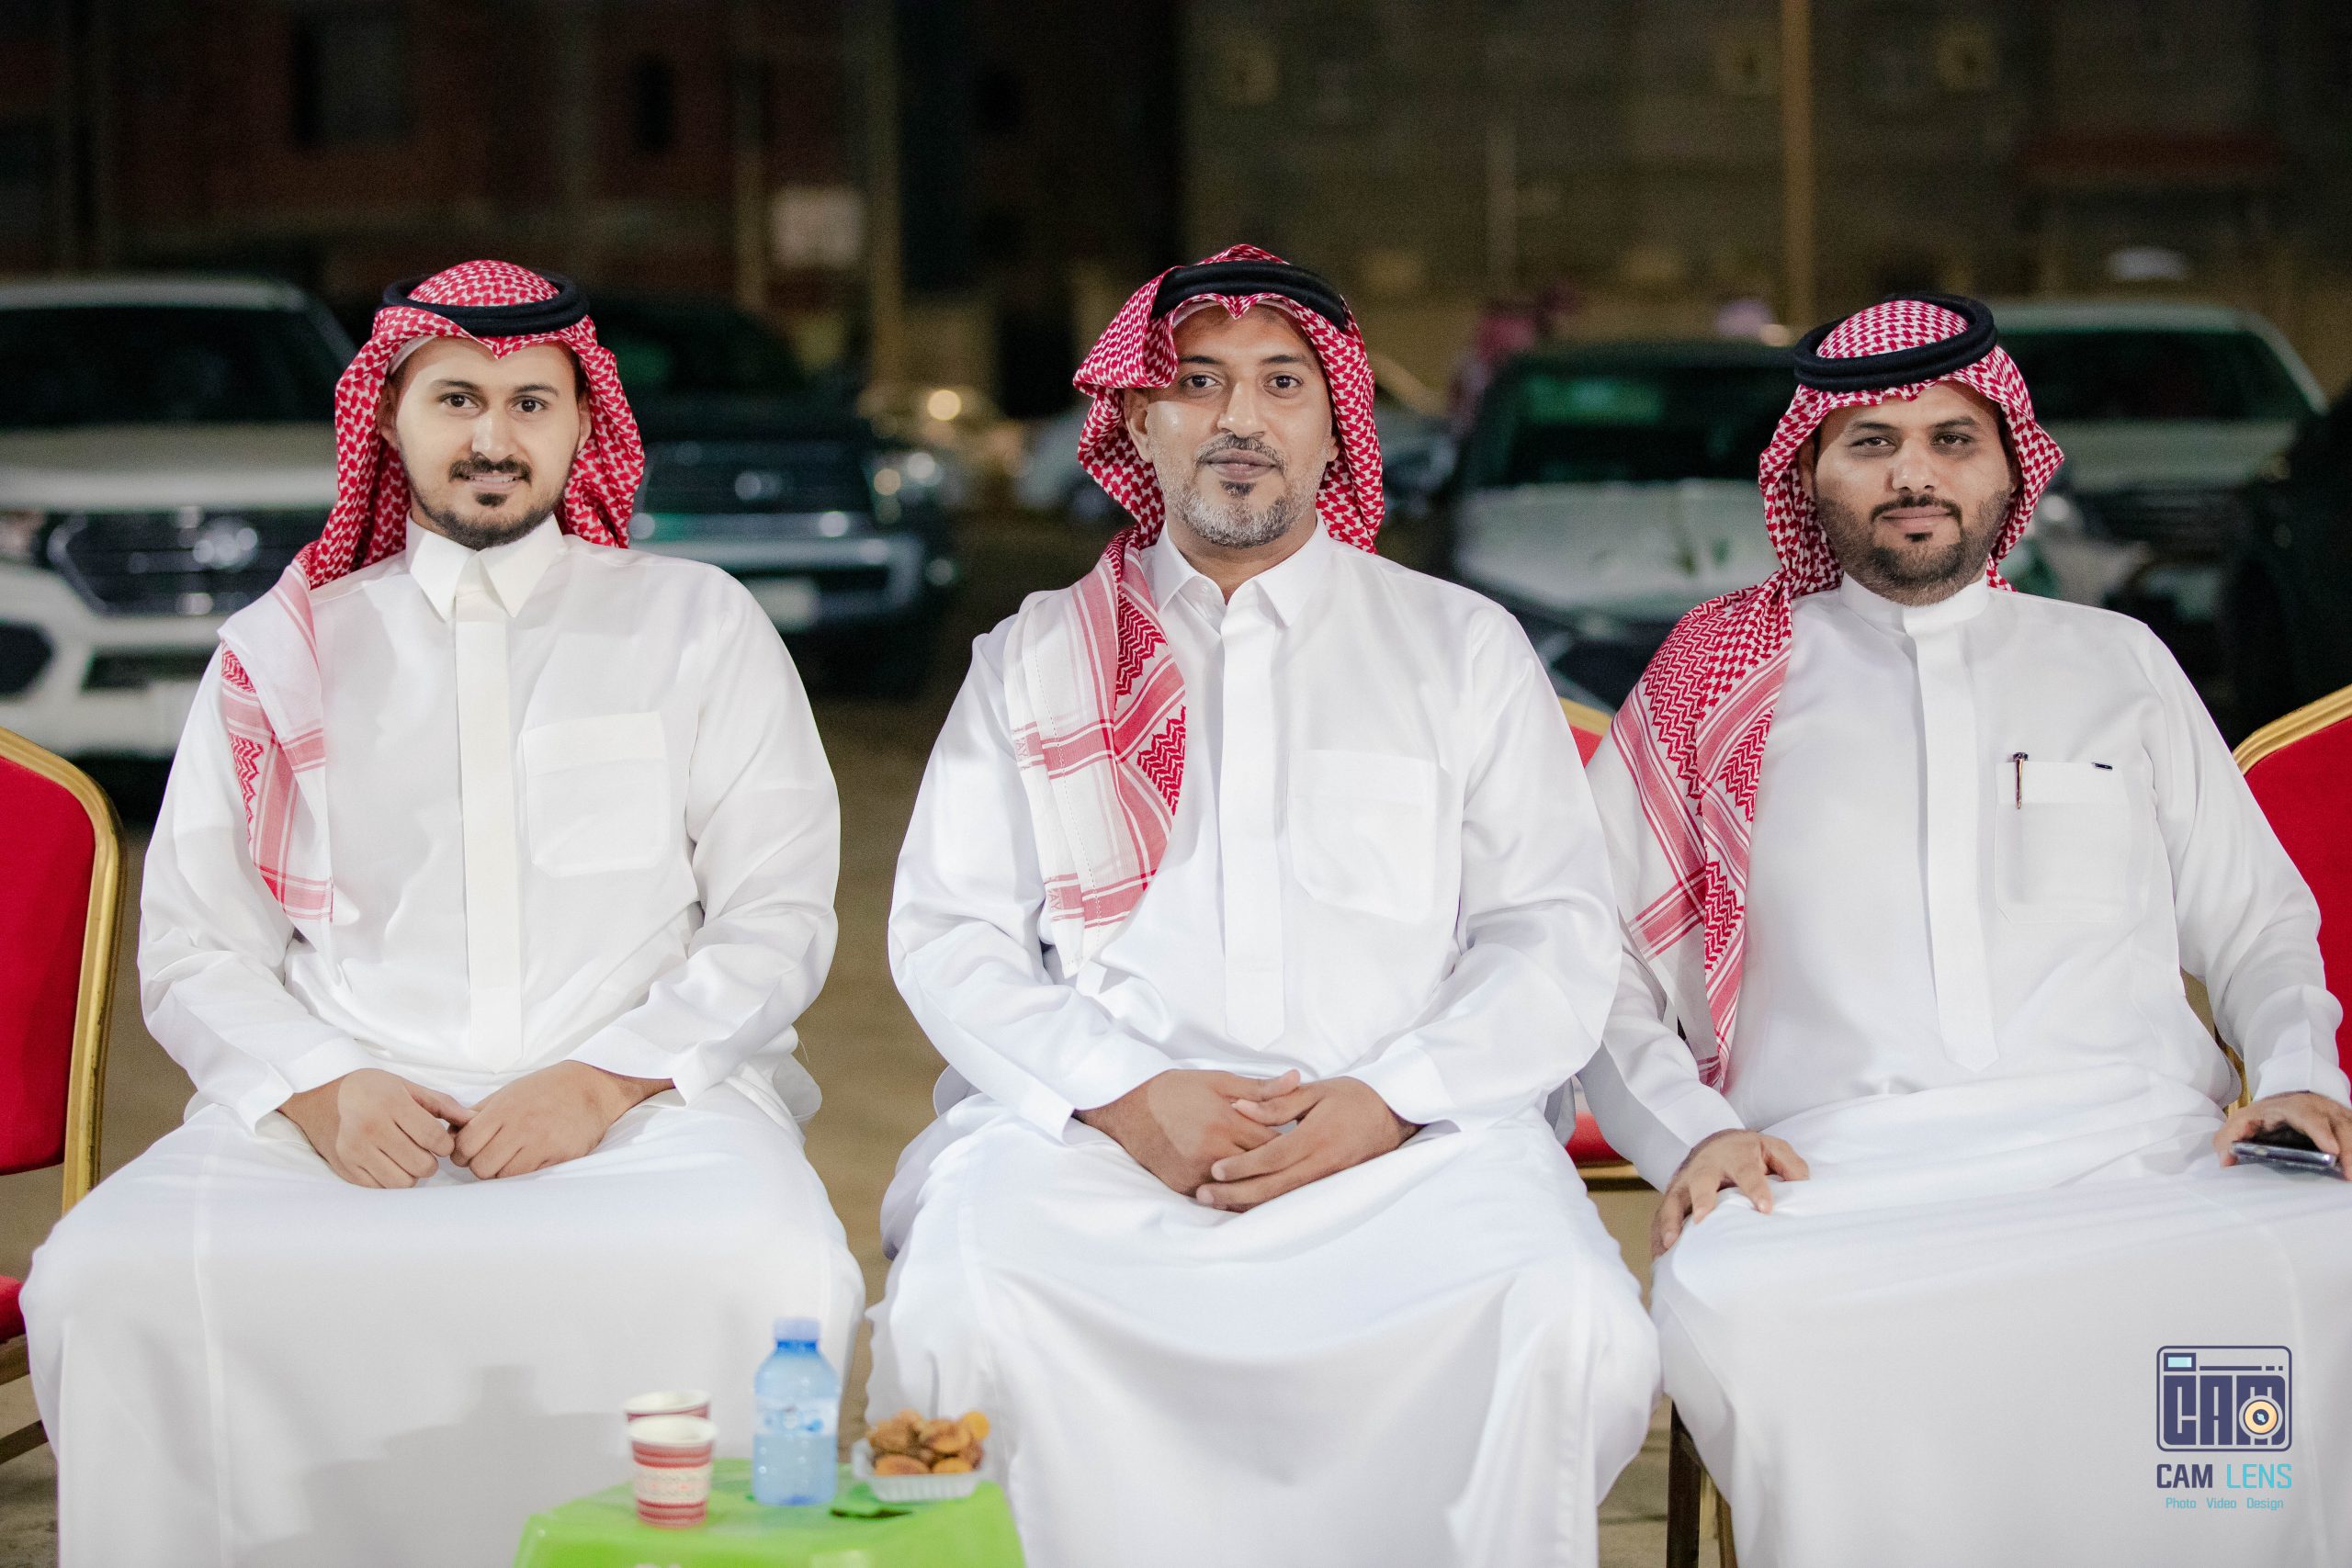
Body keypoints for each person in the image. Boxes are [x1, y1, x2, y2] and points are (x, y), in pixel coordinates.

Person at [24, 261, 861, 1566]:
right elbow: (193, 947)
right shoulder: (280, 654)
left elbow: (777, 915)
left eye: (532, 403)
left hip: (643, 1112)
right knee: (102, 1279)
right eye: (456, 399)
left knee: (766, 1266)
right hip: (343, 1113)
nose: (493, 437)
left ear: (583, 425)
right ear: (388, 419)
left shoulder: (697, 625)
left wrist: (604, 1080)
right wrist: (319, 1088)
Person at [868, 245, 1657, 1568]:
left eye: (1283, 383)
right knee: (961, 1314)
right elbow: (950, 934)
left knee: (1568, 1325)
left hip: (1407, 1153)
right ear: (1136, 420)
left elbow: (1552, 930)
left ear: (1337, 424)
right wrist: (1127, 1094)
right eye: (1198, 382)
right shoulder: (1039, 654)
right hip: (1100, 1154)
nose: (1240, 417)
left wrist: (1390, 1098)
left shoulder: (1458, 646)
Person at [1578, 294, 2352, 1567]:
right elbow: (1591, 961)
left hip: (2142, 1159)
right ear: (1809, 474)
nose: (1915, 476)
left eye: (1953, 439)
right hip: (1833, 1177)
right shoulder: (1720, 682)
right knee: (1747, 1304)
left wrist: (2297, 1075)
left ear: (2010, 468)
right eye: (1872, 444)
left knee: (2318, 1266)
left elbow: (2258, 920)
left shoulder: (2118, 663)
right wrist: (1692, 1136)